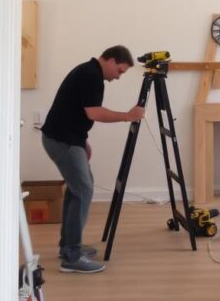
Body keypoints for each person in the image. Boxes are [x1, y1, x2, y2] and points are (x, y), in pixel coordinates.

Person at [40, 45, 146, 273]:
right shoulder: (91, 76)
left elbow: (75, 112)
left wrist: (82, 141)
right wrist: (128, 116)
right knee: (84, 190)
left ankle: (67, 246)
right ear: (110, 61)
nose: (118, 77)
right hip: (62, 141)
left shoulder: (88, 72)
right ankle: (71, 257)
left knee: (78, 188)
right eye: (120, 71)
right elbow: (94, 113)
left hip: (65, 138)